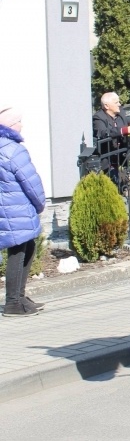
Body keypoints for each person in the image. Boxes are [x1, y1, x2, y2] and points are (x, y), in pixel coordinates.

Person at [0, 107, 47, 317]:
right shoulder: (13, 149)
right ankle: (13, 302)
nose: (22, 126)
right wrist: (40, 204)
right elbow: (30, 181)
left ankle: (19, 297)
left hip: (7, 208)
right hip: (17, 208)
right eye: (19, 122)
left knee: (26, 249)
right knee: (19, 253)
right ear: (11, 126)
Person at [92, 92, 130, 187]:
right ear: (107, 106)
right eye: (116, 102)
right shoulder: (98, 117)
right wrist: (126, 130)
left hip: (122, 159)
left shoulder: (121, 114)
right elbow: (104, 133)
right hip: (107, 160)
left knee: (124, 186)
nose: (119, 104)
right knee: (114, 184)